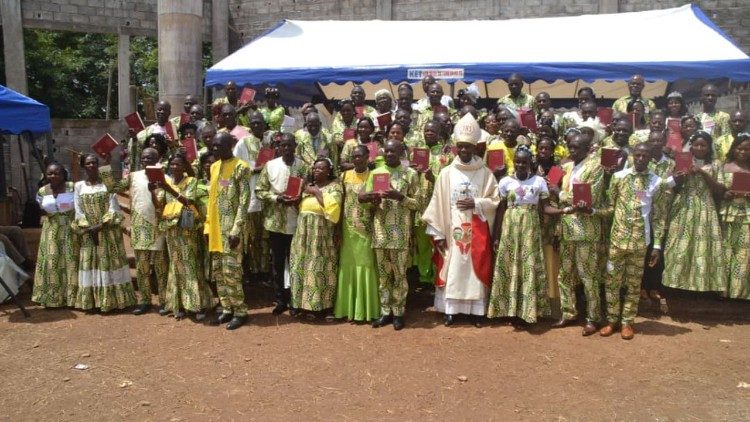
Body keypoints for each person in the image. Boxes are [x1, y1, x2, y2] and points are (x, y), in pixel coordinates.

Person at [422, 114, 499, 326]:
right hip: (452, 226)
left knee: (474, 267)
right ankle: (451, 310)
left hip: (477, 227)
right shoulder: (446, 173)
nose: (464, 150)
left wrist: (476, 203)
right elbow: (437, 202)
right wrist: (438, 232)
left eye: (468, 147)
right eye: (461, 147)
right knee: (454, 265)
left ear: (475, 148)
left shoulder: (485, 173)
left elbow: (494, 199)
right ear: (456, 147)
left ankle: (476, 312)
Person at [599, 143, 667, 340]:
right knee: (612, 282)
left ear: (649, 158)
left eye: (644, 156)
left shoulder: (656, 182)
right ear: (632, 156)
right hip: (617, 240)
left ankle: (627, 322)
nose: (640, 159)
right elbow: (610, 206)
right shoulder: (619, 178)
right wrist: (593, 211)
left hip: (639, 242)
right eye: (637, 155)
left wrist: (656, 245)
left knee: (634, 285)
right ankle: (612, 320)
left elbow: (659, 216)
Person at [547, 135, 605, 335]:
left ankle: (593, 317)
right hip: (566, 229)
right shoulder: (568, 166)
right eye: (570, 147)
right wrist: (553, 185)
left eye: (577, 147)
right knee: (564, 275)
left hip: (586, 231)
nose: (572, 151)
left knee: (589, 277)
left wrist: (559, 193)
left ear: (588, 148)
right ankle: (569, 312)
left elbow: (587, 199)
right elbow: (550, 185)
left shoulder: (596, 167)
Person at [487, 146, 550, 326]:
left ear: (530, 163)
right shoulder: (505, 182)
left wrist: (565, 210)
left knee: (528, 265)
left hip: (530, 229)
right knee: (510, 264)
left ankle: (527, 311)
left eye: (524, 162)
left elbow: (545, 208)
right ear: (513, 162)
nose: (520, 165)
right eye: (517, 161)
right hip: (510, 229)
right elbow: (500, 210)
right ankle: (508, 310)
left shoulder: (539, 182)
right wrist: (496, 235)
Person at [102, 148, 168, 315]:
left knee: (161, 267)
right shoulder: (133, 176)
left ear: (158, 158)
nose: (146, 160)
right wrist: (106, 164)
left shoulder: (164, 178)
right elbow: (113, 187)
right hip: (139, 227)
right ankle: (145, 301)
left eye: (150, 158)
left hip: (158, 227)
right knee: (142, 268)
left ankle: (164, 301)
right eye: (144, 158)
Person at [365, 139, 421, 330]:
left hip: (400, 233)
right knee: (383, 276)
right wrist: (372, 200)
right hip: (380, 231)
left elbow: (418, 203)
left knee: (399, 275)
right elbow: (364, 202)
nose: (389, 154)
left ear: (401, 152)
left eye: (393, 151)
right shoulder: (375, 174)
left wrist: (401, 197)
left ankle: (398, 313)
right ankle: (385, 312)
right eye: (386, 151)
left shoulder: (411, 174)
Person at [662, 131, 726, 294]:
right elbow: (670, 187)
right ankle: (676, 285)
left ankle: (702, 287)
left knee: (703, 247)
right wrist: (682, 176)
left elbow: (720, 190)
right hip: (684, 206)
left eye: (703, 145)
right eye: (696, 144)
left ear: (708, 147)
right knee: (680, 246)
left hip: (706, 208)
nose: (699, 148)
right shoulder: (680, 160)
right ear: (691, 146)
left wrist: (702, 172)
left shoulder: (716, 164)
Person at [72, 153, 136, 311]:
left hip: (107, 231)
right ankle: (92, 301)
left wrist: (100, 225)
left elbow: (113, 207)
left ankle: (114, 300)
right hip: (88, 231)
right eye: (88, 163)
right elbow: (78, 209)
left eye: (94, 162)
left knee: (110, 263)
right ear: (83, 166)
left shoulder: (107, 185)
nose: (92, 165)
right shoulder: (79, 186)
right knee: (91, 263)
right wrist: (88, 227)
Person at [153, 153, 213, 320]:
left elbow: (189, 202)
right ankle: (177, 304)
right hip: (171, 229)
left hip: (187, 227)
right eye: (172, 164)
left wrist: (168, 188)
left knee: (190, 264)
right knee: (175, 265)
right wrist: (153, 192)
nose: (174, 167)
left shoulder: (191, 181)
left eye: (178, 164)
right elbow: (159, 206)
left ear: (185, 166)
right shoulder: (166, 183)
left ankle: (198, 304)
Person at [256, 133, 309, 315]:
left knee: (295, 262)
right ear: (279, 147)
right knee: (278, 263)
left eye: (289, 145)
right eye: (283, 146)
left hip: (295, 222)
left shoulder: (303, 167)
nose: (286, 149)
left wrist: (298, 199)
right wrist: (277, 198)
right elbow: (260, 191)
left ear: (295, 146)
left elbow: (307, 190)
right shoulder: (270, 166)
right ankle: (280, 300)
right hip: (275, 223)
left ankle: (295, 300)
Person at [204, 132, 252, 330]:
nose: (214, 149)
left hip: (232, 231)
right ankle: (227, 309)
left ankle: (240, 311)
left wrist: (236, 229)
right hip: (215, 230)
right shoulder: (214, 167)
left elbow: (244, 201)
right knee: (218, 273)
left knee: (232, 272)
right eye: (213, 146)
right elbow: (211, 199)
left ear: (229, 146)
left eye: (218, 146)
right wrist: (208, 227)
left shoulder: (241, 167)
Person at [289, 158, 343, 316]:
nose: (317, 170)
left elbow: (334, 210)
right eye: (315, 168)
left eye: (321, 168)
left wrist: (317, 193)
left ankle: (322, 307)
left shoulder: (335, 187)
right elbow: (298, 206)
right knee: (300, 265)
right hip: (303, 232)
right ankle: (301, 305)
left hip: (321, 234)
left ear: (328, 171)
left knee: (320, 267)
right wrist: (296, 196)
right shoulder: (307, 186)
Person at [334, 145, 381, 322]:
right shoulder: (344, 176)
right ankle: (347, 309)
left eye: (360, 156)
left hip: (367, 227)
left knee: (367, 263)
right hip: (347, 228)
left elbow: (378, 201)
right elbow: (340, 202)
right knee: (347, 264)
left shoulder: (374, 176)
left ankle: (366, 311)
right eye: (354, 157)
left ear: (368, 156)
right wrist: (338, 227)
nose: (357, 159)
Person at [232, 111, 274, 282]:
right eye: (254, 123)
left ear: (265, 125)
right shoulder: (243, 143)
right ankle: (250, 271)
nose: (257, 126)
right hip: (249, 197)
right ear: (250, 126)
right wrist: (255, 169)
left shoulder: (270, 142)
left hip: (267, 199)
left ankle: (264, 271)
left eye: (260, 123)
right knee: (249, 238)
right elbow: (235, 167)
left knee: (264, 239)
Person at [412, 119, 454, 286]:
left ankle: (438, 277)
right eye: (426, 130)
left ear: (439, 133)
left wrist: (433, 178)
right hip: (419, 205)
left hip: (438, 206)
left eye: (432, 131)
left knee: (437, 243)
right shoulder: (415, 152)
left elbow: (451, 181)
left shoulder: (447, 154)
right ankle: (424, 277)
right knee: (422, 245)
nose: (429, 133)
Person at [32, 163, 78, 308]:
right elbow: (42, 210)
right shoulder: (42, 191)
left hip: (70, 228)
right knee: (52, 263)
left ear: (63, 174)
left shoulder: (72, 187)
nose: (53, 176)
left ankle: (72, 298)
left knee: (71, 262)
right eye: (50, 173)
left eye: (56, 173)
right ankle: (53, 298)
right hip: (51, 231)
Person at [640, 130, 675, 302]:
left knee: (658, 250)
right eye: (652, 140)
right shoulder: (643, 161)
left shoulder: (671, 164)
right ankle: (642, 286)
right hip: (645, 212)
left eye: (659, 140)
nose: (655, 143)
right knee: (644, 251)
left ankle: (654, 286)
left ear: (664, 142)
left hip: (664, 211)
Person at [719, 133, 750, 300]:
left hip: (747, 216)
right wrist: (726, 194)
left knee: (744, 254)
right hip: (728, 214)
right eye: (740, 148)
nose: (743, 152)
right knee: (726, 251)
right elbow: (718, 190)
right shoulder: (725, 167)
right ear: (734, 149)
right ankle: (723, 292)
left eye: (747, 149)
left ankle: (739, 293)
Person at [126, 100, 174, 172]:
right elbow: (138, 148)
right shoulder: (148, 131)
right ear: (156, 111)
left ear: (169, 112)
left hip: (168, 166)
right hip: (150, 165)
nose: (161, 112)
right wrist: (134, 138)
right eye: (159, 109)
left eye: (165, 110)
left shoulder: (174, 129)